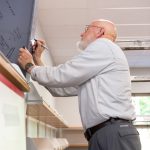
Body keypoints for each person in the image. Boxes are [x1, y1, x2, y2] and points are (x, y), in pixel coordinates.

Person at [18, 19, 141, 150]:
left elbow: (63, 74)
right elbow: (60, 88)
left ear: (100, 31)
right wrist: (37, 60)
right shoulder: (99, 65)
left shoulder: (103, 45)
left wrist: (30, 66)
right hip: (108, 134)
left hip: (111, 134)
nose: (82, 34)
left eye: (87, 28)